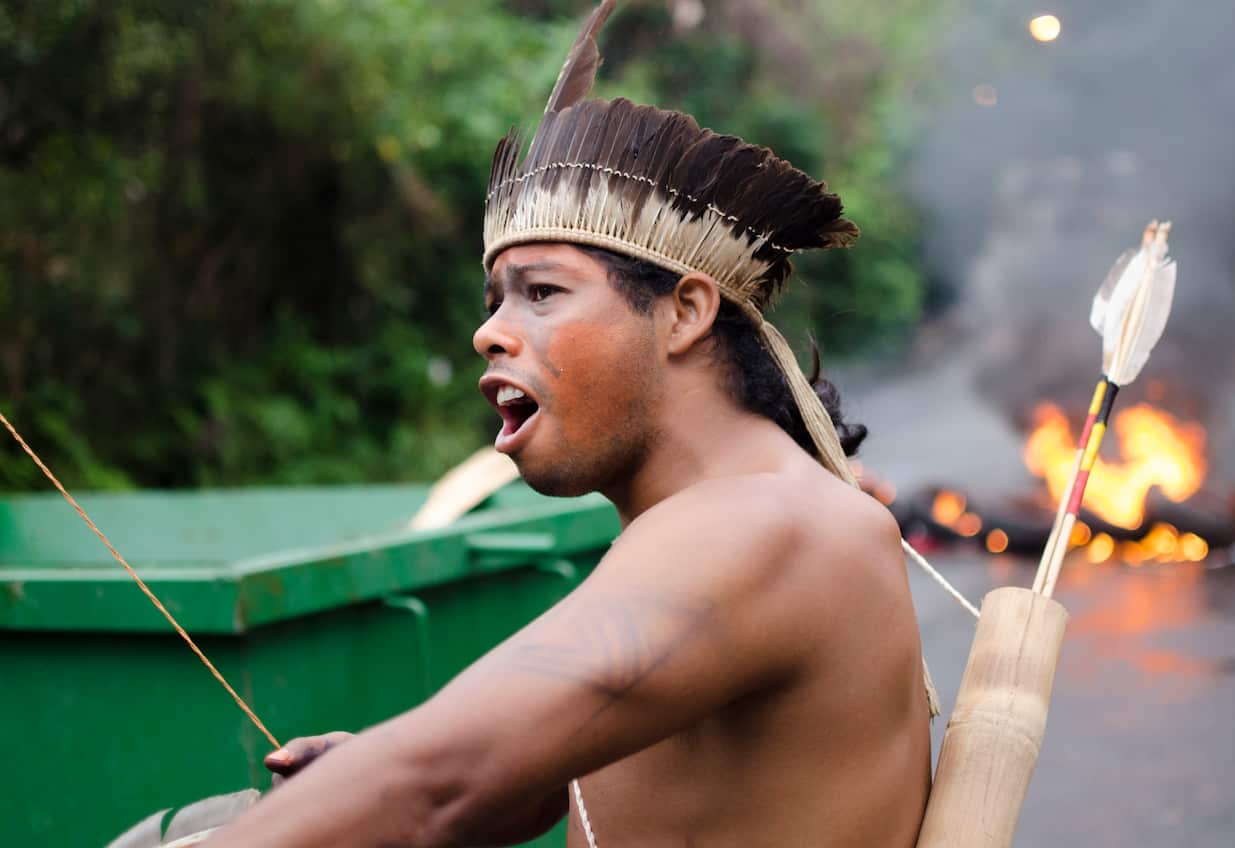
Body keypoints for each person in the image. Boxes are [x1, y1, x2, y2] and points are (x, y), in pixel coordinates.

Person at [204, 3, 932, 846]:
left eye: (542, 292)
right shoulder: (731, 517)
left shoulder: (755, 523)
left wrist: (399, 777)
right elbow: (571, 783)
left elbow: (435, 784)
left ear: (685, 310)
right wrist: (370, 770)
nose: (489, 332)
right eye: (494, 301)